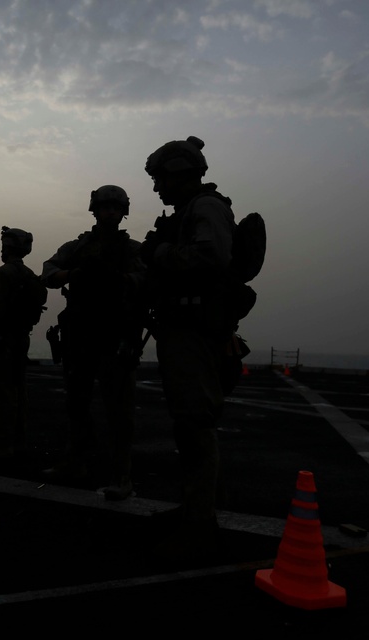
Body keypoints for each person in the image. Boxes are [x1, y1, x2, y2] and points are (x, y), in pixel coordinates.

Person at [139, 135, 238, 561]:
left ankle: (199, 526)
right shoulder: (188, 212)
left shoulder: (206, 208)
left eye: (161, 179)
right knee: (187, 424)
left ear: (180, 173)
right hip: (183, 331)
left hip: (197, 333)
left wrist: (160, 253)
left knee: (196, 424)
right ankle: (193, 512)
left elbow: (210, 256)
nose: (157, 188)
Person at [41, 185, 145, 500]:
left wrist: (122, 280)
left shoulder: (134, 250)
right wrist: (74, 273)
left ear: (123, 211)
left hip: (116, 333)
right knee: (76, 402)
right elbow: (48, 272)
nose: (110, 212)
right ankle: (75, 463)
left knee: (119, 407)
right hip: (80, 333)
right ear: (95, 210)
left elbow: (150, 281)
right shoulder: (78, 246)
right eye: (105, 207)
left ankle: (122, 476)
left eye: (116, 207)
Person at [0, 227, 39, 458]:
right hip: (21, 338)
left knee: (2, 393)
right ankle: (18, 440)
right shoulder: (29, 273)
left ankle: (1, 443)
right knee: (18, 391)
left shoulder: (4, 273)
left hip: (3, 340)